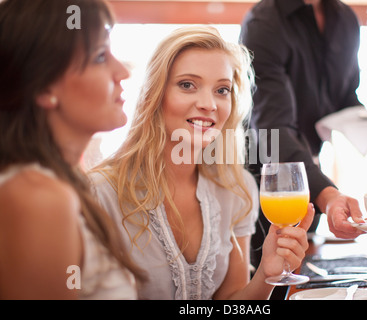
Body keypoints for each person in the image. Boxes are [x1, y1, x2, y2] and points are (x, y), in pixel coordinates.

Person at [90, 26, 315, 300]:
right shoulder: (99, 193)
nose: (209, 104)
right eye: (187, 85)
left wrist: (267, 275)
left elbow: (230, 301)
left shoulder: (236, 188)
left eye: (222, 90)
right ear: (154, 94)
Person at [0, 0, 146, 299]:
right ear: (44, 88)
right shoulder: (37, 198)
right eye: (100, 56)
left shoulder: (60, 182)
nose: (122, 72)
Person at [240, 0, 365, 253]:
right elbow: (271, 130)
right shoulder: (265, 21)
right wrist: (328, 195)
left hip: (309, 170)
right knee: (272, 276)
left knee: (305, 264)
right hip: (263, 173)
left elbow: (345, 97)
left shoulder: (346, 21)